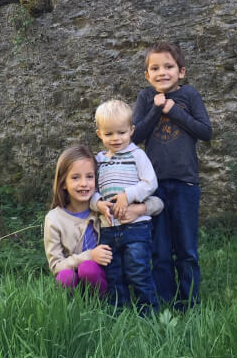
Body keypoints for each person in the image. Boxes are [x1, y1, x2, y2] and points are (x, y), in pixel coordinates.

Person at [132, 41, 212, 311]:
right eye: (155, 68)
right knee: (160, 249)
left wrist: (172, 110)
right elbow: (136, 135)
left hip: (185, 183)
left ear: (181, 72)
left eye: (169, 66)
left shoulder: (189, 95)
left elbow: (205, 132)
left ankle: (189, 302)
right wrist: (156, 108)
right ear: (147, 75)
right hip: (153, 186)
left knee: (186, 249)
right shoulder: (145, 98)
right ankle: (164, 300)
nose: (162, 72)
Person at [43, 144, 163, 295]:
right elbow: (55, 266)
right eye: (75, 177)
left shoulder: (104, 207)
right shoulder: (54, 219)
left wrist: (138, 210)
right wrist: (89, 256)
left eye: (89, 176)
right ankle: (74, 307)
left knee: (89, 269)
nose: (84, 183)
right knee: (65, 277)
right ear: (63, 183)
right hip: (71, 278)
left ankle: (102, 303)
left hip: (102, 278)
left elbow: (158, 204)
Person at [91, 99, 160, 313]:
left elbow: (150, 182)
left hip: (136, 226)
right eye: (109, 134)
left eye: (121, 132)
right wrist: (98, 204)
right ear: (99, 134)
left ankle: (148, 312)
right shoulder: (99, 160)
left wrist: (127, 196)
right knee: (113, 272)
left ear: (131, 130)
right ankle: (118, 311)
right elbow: (91, 190)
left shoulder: (137, 155)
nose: (115, 138)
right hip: (108, 227)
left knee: (138, 269)